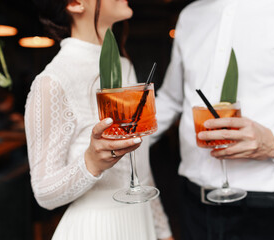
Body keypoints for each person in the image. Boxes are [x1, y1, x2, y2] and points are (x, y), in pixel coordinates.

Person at [151, 0, 274, 239]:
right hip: (192, 201)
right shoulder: (191, 15)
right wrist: (122, 143)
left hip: (268, 209)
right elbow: (171, 99)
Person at [25, 0, 173, 239]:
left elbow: (140, 166)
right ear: (75, 3)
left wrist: (162, 230)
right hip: (97, 227)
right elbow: (44, 194)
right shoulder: (52, 81)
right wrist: (91, 162)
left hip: (140, 221)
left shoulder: (124, 65)